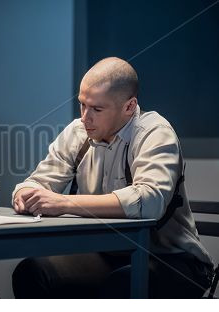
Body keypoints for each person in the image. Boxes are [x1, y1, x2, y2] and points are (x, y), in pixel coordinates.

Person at [11, 57, 214, 298]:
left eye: (97, 109)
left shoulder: (155, 132)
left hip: (172, 259)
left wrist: (64, 203)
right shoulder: (78, 132)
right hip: (109, 254)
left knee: (123, 284)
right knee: (33, 271)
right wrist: (25, 194)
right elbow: (38, 181)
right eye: (82, 105)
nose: (85, 117)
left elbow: (148, 201)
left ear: (129, 107)